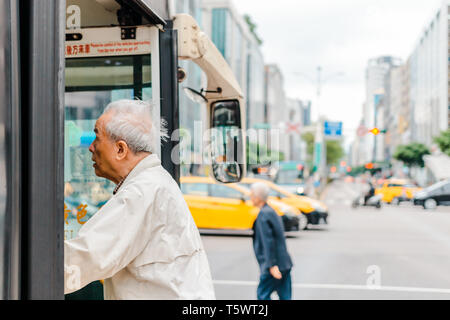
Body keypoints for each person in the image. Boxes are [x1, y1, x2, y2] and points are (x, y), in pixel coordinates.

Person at [64, 99, 215, 300]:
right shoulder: (153, 182)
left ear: (120, 149)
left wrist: (22, 271)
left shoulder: (142, 191)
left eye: (97, 137)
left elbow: (86, 257)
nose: (91, 147)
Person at [250, 182, 293, 300]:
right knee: (285, 296)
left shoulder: (263, 215)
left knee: (262, 295)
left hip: (274, 265)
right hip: (284, 263)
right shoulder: (271, 211)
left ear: (258, 197)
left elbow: (268, 242)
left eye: (252, 194)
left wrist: (272, 265)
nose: (250, 196)